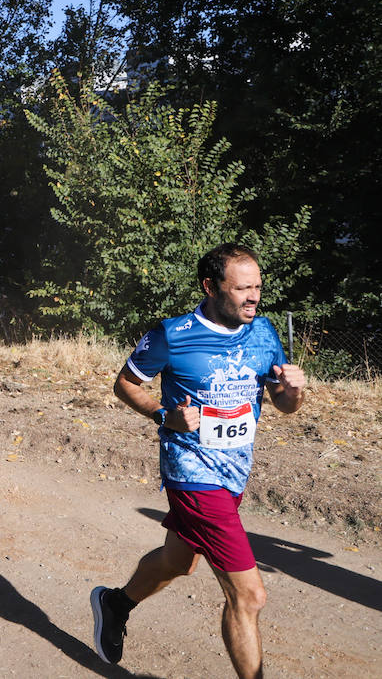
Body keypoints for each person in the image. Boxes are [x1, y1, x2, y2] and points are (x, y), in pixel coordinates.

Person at [90, 244, 306, 677]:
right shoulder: (173, 334)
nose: (253, 297)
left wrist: (293, 390)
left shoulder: (264, 332)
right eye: (242, 288)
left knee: (179, 561)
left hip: (235, 471)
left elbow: (284, 404)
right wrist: (163, 415)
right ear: (210, 287)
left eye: (258, 288)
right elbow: (126, 383)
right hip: (190, 471)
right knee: (248, 596)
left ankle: (115, 603)